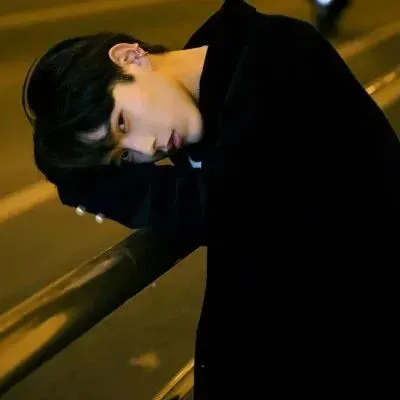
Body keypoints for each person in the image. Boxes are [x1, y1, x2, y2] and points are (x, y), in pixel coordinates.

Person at [22, 0, 400, 398]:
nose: (146, 147)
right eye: (125, 157)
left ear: (130, 56)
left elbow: (225, 209)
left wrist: (94, 188)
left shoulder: (277, 55)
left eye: (122, 122)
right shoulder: (207, 106)